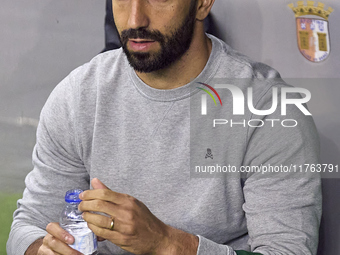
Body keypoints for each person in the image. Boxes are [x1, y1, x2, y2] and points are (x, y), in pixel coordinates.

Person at [7, 0, 322, 255]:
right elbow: (28, 225)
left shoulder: (268, 106)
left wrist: (167, 244)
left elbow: (287, 250)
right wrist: (42, 249)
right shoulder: (78, 95)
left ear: (202, 4)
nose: (135, 18)